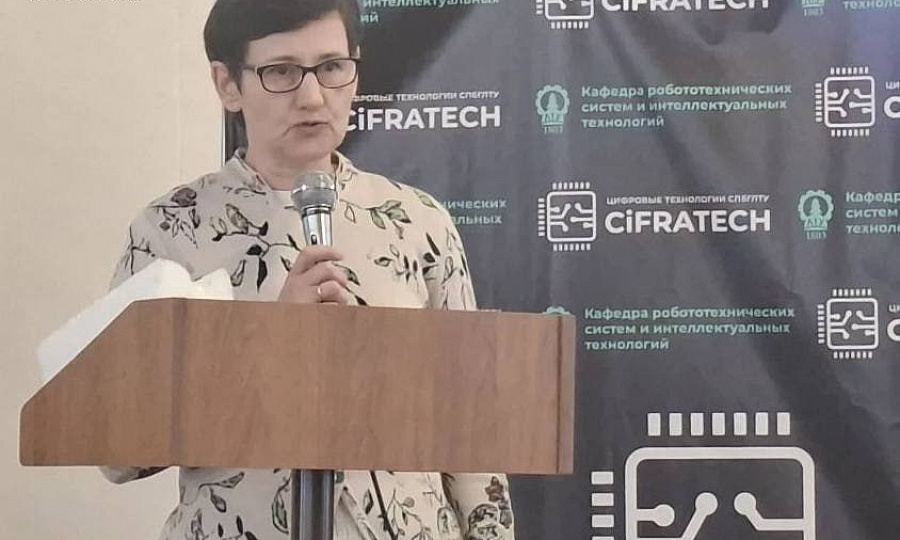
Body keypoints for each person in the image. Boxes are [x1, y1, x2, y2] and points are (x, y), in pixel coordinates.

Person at [101, 1, 515, 539]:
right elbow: (118, 451)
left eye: (332, 67)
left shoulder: (418, 222)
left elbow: (472, 429)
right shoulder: (171, 230)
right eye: (281, 72)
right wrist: (270, 346)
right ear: (228, 84)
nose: (313, 97)